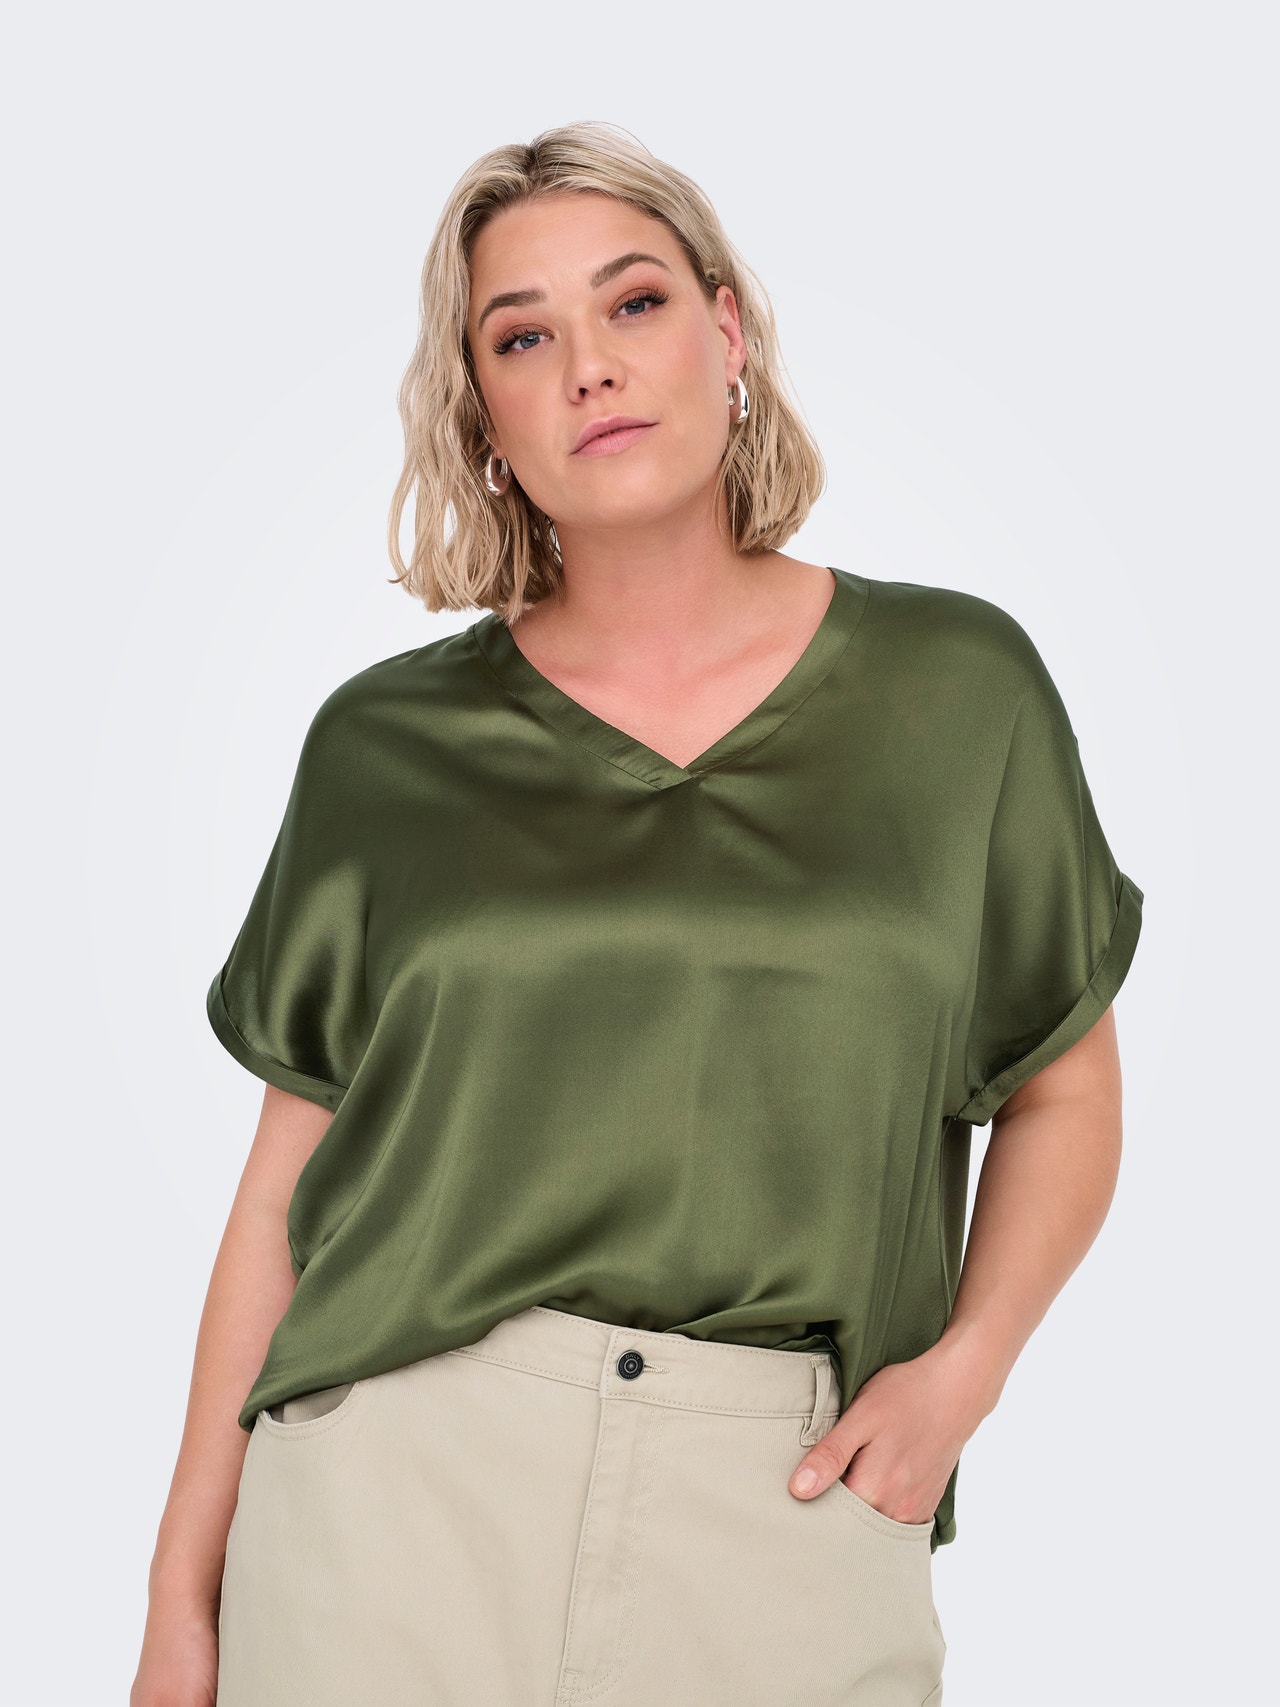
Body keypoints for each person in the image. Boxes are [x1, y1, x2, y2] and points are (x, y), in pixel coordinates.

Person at [131, 120, 1144, 1707]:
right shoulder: (383, 749)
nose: (590, 365)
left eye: (636, 303)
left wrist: (965, 1375)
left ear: (727, 334)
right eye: (522, 337)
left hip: (791, 1510)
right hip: (390, 1504)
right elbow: (283, 1192)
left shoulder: (962, 693)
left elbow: (1065, 1092)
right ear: (485, 417)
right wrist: (178, 1597)